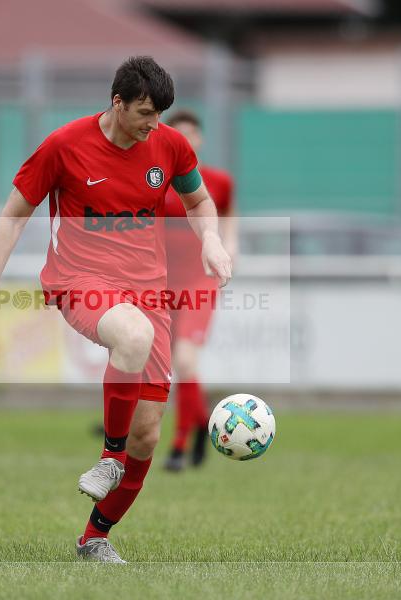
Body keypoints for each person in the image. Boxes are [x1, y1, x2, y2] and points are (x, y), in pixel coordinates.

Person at [0, 56, 232, 564]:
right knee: (133, 337)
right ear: (117, 103)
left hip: (149, 291)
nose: (153, 125)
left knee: (147, 436)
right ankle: (108, 458)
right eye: (144, 113)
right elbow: (12, 217)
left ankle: (95, 538)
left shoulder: (170, 145)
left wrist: (210, 238)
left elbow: (199, 202)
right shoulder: (64, 146)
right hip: (79, 281)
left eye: (160, 115)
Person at [162, 110, 237, 472]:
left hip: (200, 281)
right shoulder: (156, 181)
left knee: (186, 360)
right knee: (165, 366)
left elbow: (229, 219)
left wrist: (229, 248)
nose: (185, 140)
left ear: (199, 138)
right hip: (162, 283)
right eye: (177, 134)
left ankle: (178, 447)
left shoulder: (219, 182)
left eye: (190, 134)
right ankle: (202, 424)